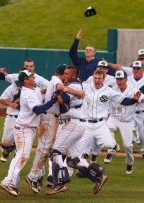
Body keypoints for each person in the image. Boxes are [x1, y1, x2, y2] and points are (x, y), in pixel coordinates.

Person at [46, 65, 108, 195]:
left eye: (67, 74)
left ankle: (59, 183)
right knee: (73, 161)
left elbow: (63, 100)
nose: (65, 76)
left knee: (55, 152)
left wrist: (54, 92)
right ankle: (98, 177)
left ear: (73, 76)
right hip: (76, 124)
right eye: (64, 73)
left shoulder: (74, 85)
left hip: (74, 124)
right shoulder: (73, 84)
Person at [25, 64, 84, 194]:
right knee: (44, 149)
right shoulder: (57, 81)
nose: (66, 77)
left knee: (47, 150)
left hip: (51, 118)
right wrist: (79, 92)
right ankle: (33, 176)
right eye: (66, 74)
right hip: (49, 118)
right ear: (62, 74)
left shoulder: (53, 79)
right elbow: (60, 87)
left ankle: (36, 176)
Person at [0, 70, 59, 197]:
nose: (33, 77)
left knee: (20, 156)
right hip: (24, 128)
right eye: (31, 76)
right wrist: (52, 101)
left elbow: (39, 92)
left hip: (27, 128)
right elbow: (38, 109)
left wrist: (44, 91)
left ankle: (12, 183)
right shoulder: (27, 94)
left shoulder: (33, 89)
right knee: (22, 156)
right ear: (25, 80)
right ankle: (8, 181)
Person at [79, 70, 141, 168]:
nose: (97, 80)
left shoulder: (109, 91)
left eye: (99, 78)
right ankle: (84, 169)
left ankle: (114, 146)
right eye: (95, 78)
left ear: (103, 79)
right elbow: (74, 88)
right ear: (92, 78)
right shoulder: (86, 87)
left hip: (100, 123)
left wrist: (134, 100)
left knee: (108, 144)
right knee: (80, 150)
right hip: (87, 124)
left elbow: (124, 101)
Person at [106, 70, 144, 174]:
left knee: (128, 146)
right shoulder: (112, 89)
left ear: (126, 79)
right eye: (117, 79)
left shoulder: (133, 90)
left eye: (121, 79)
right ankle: (113, 148)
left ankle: (129, 164)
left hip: (127, 121)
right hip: (114, 117)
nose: (119, 81)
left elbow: (143, 98)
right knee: (107, 128)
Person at [129, 61, 144, 159]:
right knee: (127, 131)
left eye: (138, 68)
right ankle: (130, 148)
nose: (136, 70)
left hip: (142, 112)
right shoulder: (127, 79)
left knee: (143, 136)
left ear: (143, 69)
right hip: (129, 111)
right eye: (134, 68)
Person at [0, 82, 21, 162]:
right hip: (11, 117)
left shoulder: (34, 88)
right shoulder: (13, 87)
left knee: (21, 143)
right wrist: (10, 104)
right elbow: (1, 99)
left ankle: (16, 160)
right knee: (6, 141)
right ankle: (8, 149)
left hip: (24, 119)